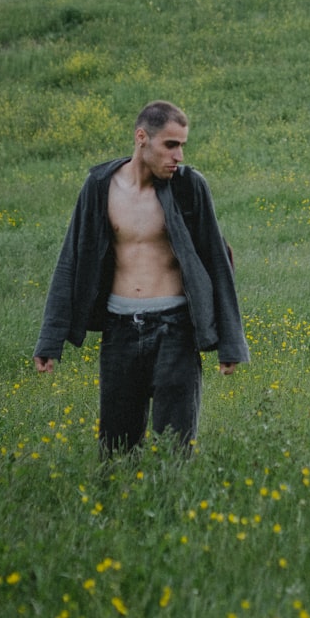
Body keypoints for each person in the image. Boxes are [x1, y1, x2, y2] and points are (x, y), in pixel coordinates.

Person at [34, 101, 249, 455]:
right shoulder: (100, 187)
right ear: (141, 138)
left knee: (175, 448)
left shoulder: (189, 187)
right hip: (119, 332)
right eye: (170, 144)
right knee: (116, 448)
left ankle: (171, 505)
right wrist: (49, 340)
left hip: (176, 329)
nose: (178, 155)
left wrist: (230, 343)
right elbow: (70, 260)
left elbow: (217, 261)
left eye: (182, 145)